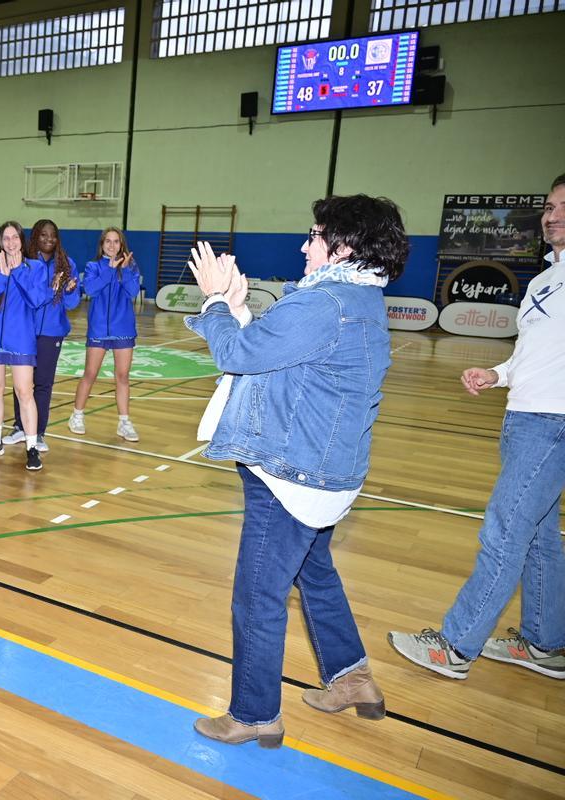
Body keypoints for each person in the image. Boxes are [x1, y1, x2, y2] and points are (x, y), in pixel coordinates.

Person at [185, 194, 409, 746]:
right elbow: (271, 350)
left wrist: (216, 301)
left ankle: (254, 714)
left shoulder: (325, 303)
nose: (305, 245)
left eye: (315, 234)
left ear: (344, 244)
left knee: (257, 597)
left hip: (292, 475)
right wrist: (237, 310)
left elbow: (237, 355)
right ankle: (352, 678)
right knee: (315, 573)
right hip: (328, 470)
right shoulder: (356, 300)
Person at [389, 175, 565, 681]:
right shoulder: (543, 280)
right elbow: (537, 354)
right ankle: (545, 643)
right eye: (548, 207)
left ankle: (455, 647)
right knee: (539, 538)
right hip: (524, 417)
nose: (551, 216)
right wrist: (498, 374)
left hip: (552, 424)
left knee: (505, 532)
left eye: (562, 207)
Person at [0, 221, 51, 470]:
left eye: (14, 237)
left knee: (24, 392)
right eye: (5, 238)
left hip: (20, 339)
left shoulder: (36, 267)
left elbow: (38, 300)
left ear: (22, 240)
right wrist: (2, 277)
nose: (10, 243)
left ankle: (31, 446)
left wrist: (17, 272)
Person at [5, 219, 78, 454]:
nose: (49, 239)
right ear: (35, 236)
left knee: (43, 384)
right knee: (21, 384)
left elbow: (72, 304)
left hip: (52, 332)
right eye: (44, 235)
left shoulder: (67, 265)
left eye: (53, 235)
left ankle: (38, 432)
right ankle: (19, 426)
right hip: (25, 331)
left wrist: (70, 291)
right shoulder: (26, 264)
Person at [71, 227, 142, 442]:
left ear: (122, 245)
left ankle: (124, 422)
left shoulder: (130, 266)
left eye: (116, 241)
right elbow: (90, 290)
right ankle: (77, 415)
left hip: (123, 329)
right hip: (99, 329)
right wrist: (110, 270)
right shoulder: (93, 266)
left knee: (122, 376)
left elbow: (132, 292)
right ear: (101, 245)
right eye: (108, 241)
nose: (112, 245)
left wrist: (126, 270)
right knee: (90, 374)